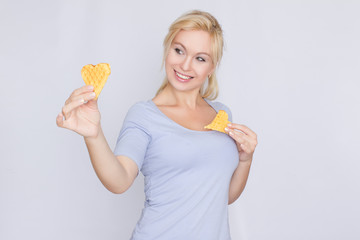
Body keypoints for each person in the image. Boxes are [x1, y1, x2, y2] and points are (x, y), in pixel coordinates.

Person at [56, 10, 257, 240]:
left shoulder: (222, 114)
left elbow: (221, 196)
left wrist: (245, 160)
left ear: (212, 67)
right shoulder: (144, 116)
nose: (185, 65)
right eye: (179, 50)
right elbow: (119, 180)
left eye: (200, 58)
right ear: (167, 49)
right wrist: (93, 135)